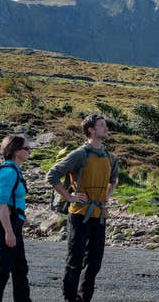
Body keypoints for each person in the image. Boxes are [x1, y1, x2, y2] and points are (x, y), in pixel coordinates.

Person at [47, 114, 119, 302]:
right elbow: (52, 174)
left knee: (94, 263)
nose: (106, 128)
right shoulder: (80, 154)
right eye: (102, 125)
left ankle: (84, 298)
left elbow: (114, 179)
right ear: (91, 130)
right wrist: (68, 196)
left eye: (105, 125)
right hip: (79, 214)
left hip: (100, 214)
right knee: (75, 261)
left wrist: (107, 195)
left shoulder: (110, 157)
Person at [0, 135, 31, 302]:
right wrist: (9, 232)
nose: (29, 152)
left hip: (13, 224)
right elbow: (2, 204)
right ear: (16, 151)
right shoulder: (8, 172)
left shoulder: (15, 170)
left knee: (20, 268)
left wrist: (21, 218)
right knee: (1, 269)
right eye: (26, 148)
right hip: (5, 225)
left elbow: (13, 201)